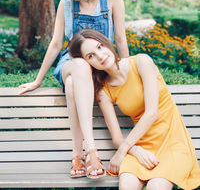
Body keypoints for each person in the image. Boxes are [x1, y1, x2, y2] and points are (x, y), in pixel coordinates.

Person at [18, 0, 129, 179]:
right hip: (72, 63)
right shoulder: (67, 4)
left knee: (72, 87)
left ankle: (77, 155)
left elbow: (120, 39)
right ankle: (92, 151)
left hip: (99, 66)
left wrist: (128, 71)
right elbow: (57, 44)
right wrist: (38, 80)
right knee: (79, 65)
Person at [68, 28, 200, 190]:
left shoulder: (141, 62)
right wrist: (135, 151)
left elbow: (152, 113)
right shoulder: (104, 91)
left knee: (156, 186)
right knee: (127, 185)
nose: (100, 56)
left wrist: (121, 152)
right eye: (90, 56)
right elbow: (116, 138)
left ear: (107, 44)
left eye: (99, 47)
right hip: (140, 145)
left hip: (173, 143)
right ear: (87, 64)